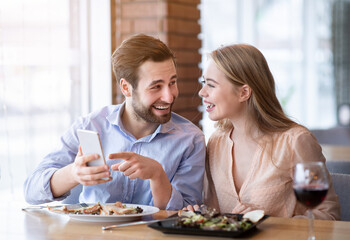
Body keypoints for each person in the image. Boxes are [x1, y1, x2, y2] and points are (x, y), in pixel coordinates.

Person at [24, 34, 206, 210]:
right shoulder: (91, 125)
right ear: (126, 88)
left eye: (172, 83)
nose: (169, 96)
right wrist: (73, 173)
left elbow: (187, 214)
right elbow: (31, 191)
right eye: (156, 87)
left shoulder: (190, 140)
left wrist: (158, 176)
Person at [185, 44, 340, 220]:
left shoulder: (295, 141)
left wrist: (268, 222)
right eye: (204, 83)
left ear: (244, 92)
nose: (201, 92)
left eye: (211, 85)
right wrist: (198, 216)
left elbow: (329, 215)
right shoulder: (216, 142)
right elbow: (214, 212)